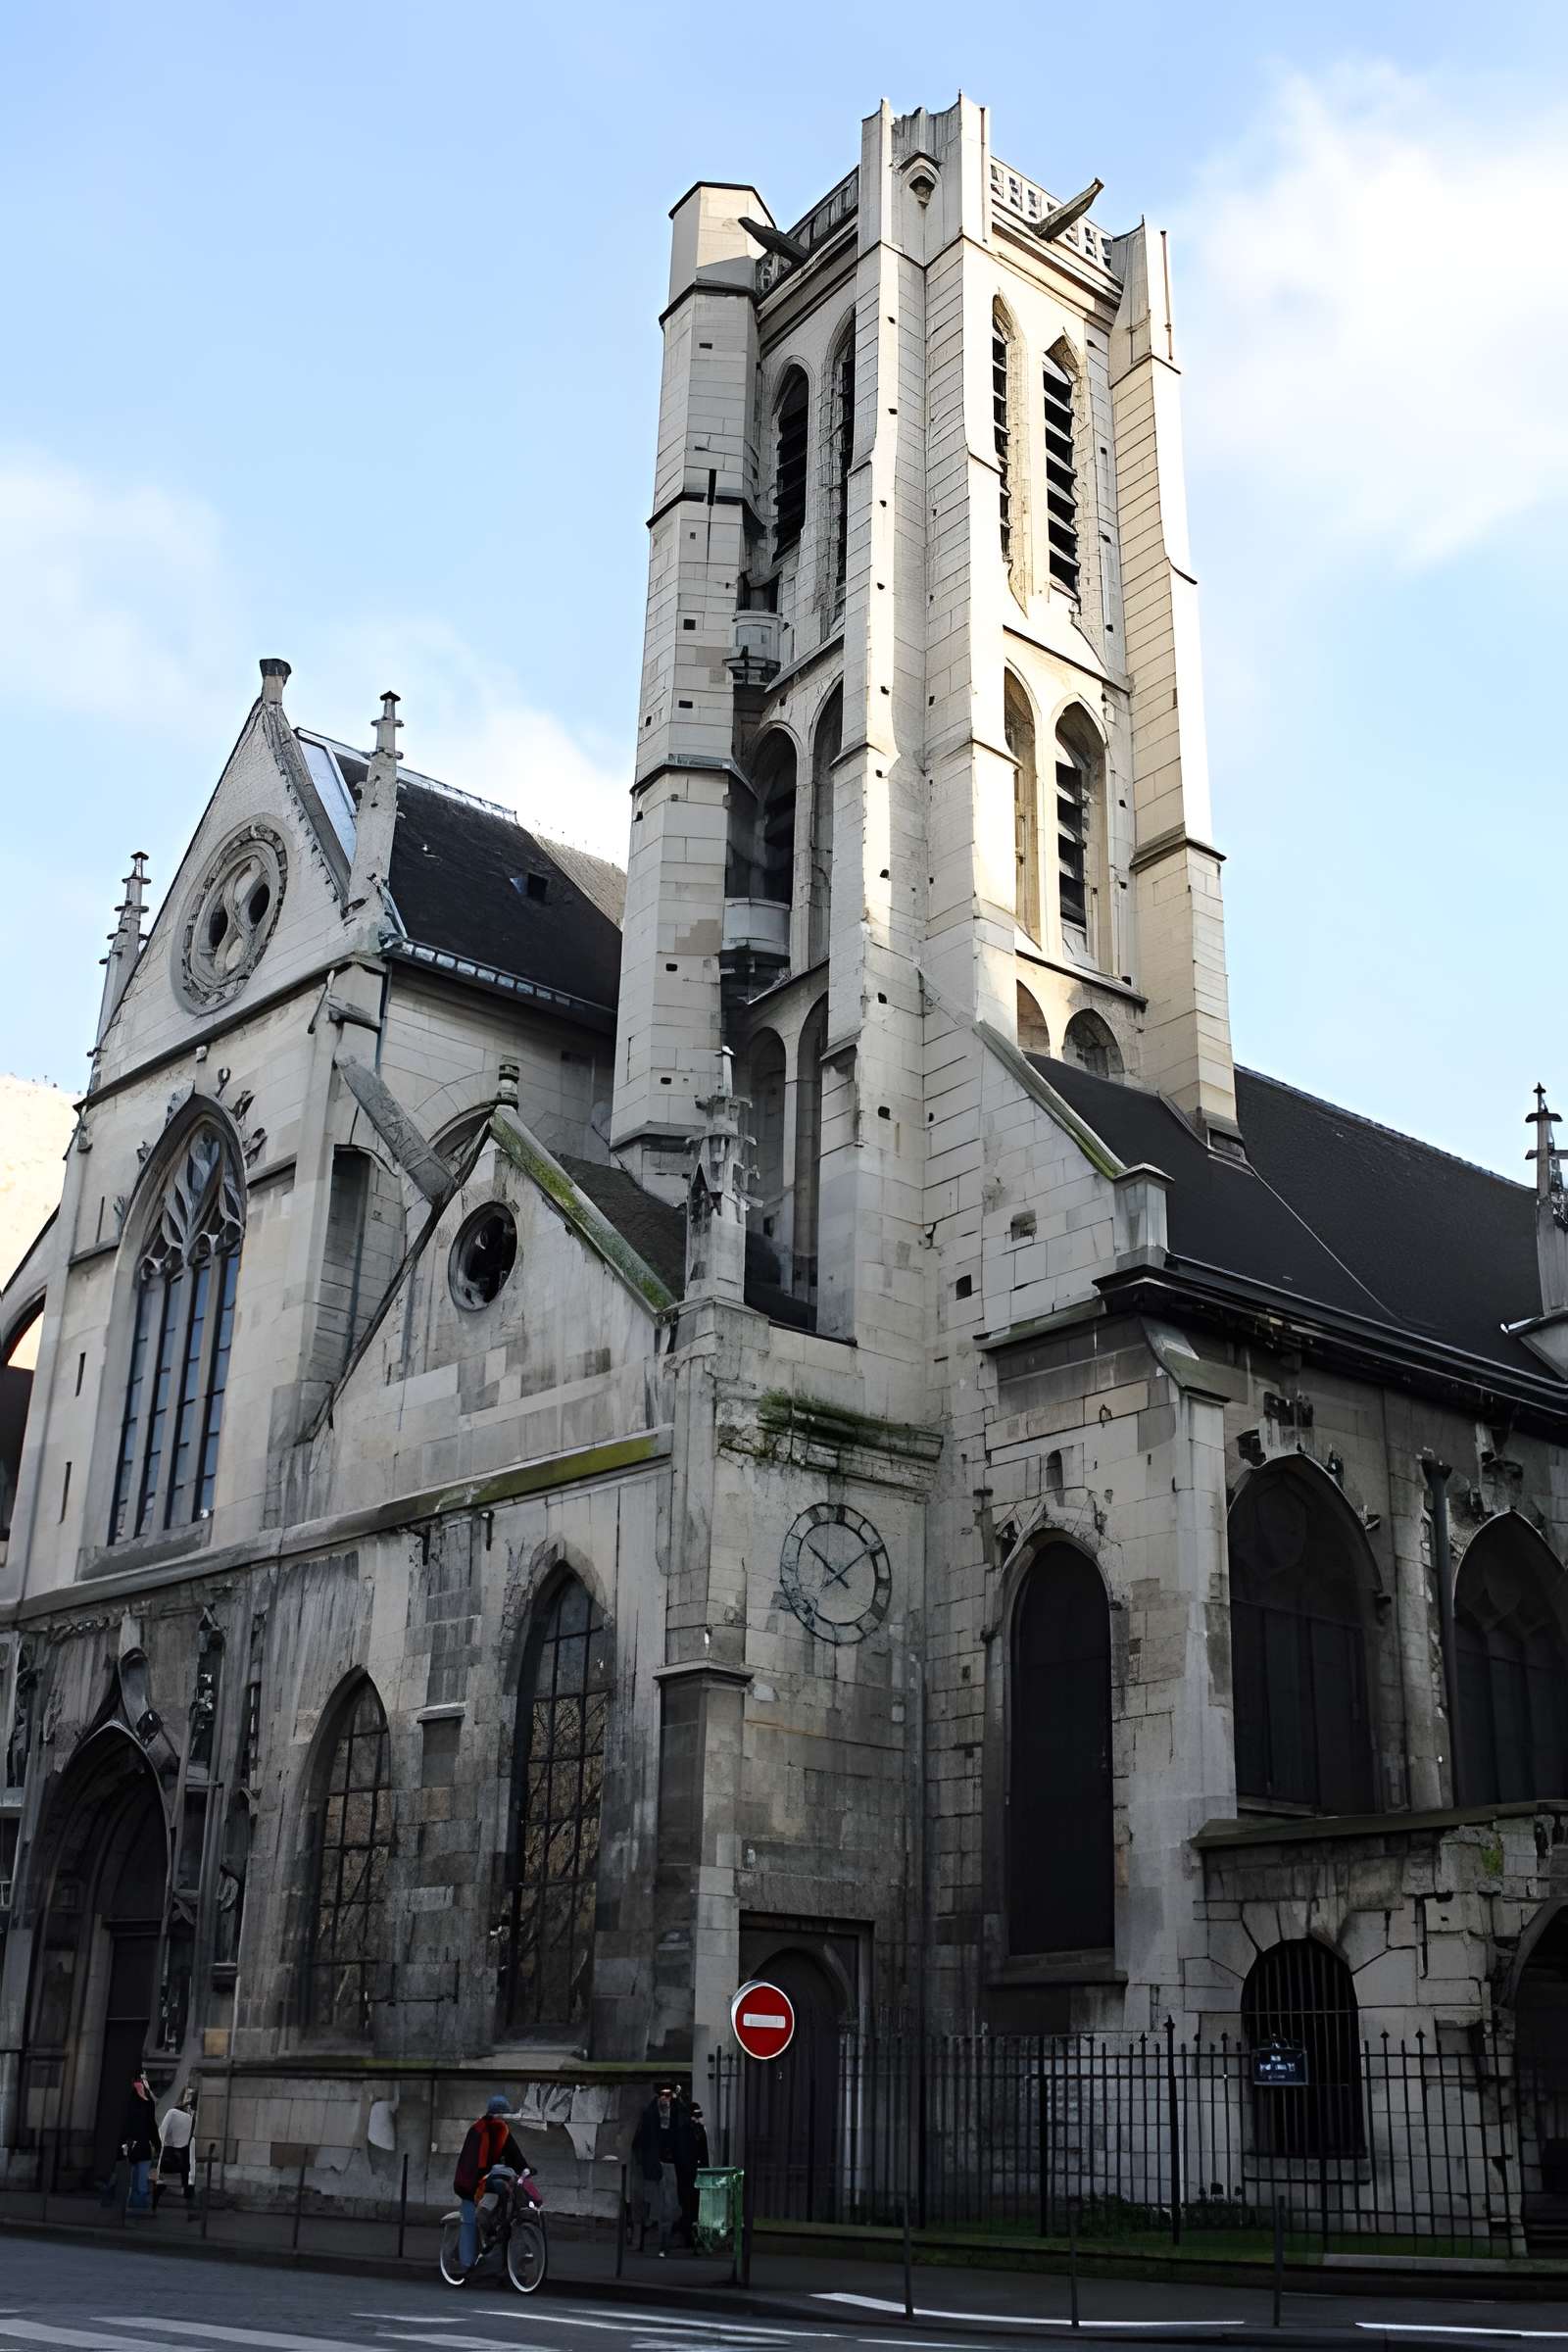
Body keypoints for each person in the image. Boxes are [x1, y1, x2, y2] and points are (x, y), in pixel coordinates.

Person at [452, 2093, 524, 2273]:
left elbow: (513, 2153)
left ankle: (495, 2248)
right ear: (494, 2114)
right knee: (471, 2221)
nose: (504, 2119)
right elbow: (471, 2162)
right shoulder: (478, 2130)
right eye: (502, 2115)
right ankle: (466, 2264)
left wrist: (525, 2169)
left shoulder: (502, 2130)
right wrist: (478, 2182)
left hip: (487, 2179)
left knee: (505, 2204)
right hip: (470, 2184)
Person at [632, 2082, 692, 2258]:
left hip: (672, 2165)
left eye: (668, 2095)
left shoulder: (678, 2113)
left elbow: (684, 2137)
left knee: (669, 2207)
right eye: (662, 2095)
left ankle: (664, 2244)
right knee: (652, 2206)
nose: (665, 2100)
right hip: (655, 2165)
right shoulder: (650, 2114)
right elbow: (641, 2141)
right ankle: (650, 2241)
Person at [122, 2071, 160, 2214]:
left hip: (134, 2145)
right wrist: (157, 2144)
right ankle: (137, 2204)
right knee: (139, 2178)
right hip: (139, 2145)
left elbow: (150, 2125)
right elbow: (151, 2125)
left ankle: (133, 2203)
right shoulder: (145, 2102)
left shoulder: (133, 2101)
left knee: (134, 2177)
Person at [156, 2084, 198, 2212]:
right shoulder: (179, 2114)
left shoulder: (183, 2113)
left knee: (184, 2173)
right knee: (177, 2171)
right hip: (175, 2148)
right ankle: (187, 2197)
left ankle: (188, 2198)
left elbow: (163, 2131)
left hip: (179, 2149)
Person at [677, 2099, 710, 2248]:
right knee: (689, 2206)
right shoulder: (688, 2130)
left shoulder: (696, 2130)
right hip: (689, 2174)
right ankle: (689, 2236)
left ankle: (691, 2236)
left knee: (693, 2206)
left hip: (693, 2173)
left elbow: (703, 2154)